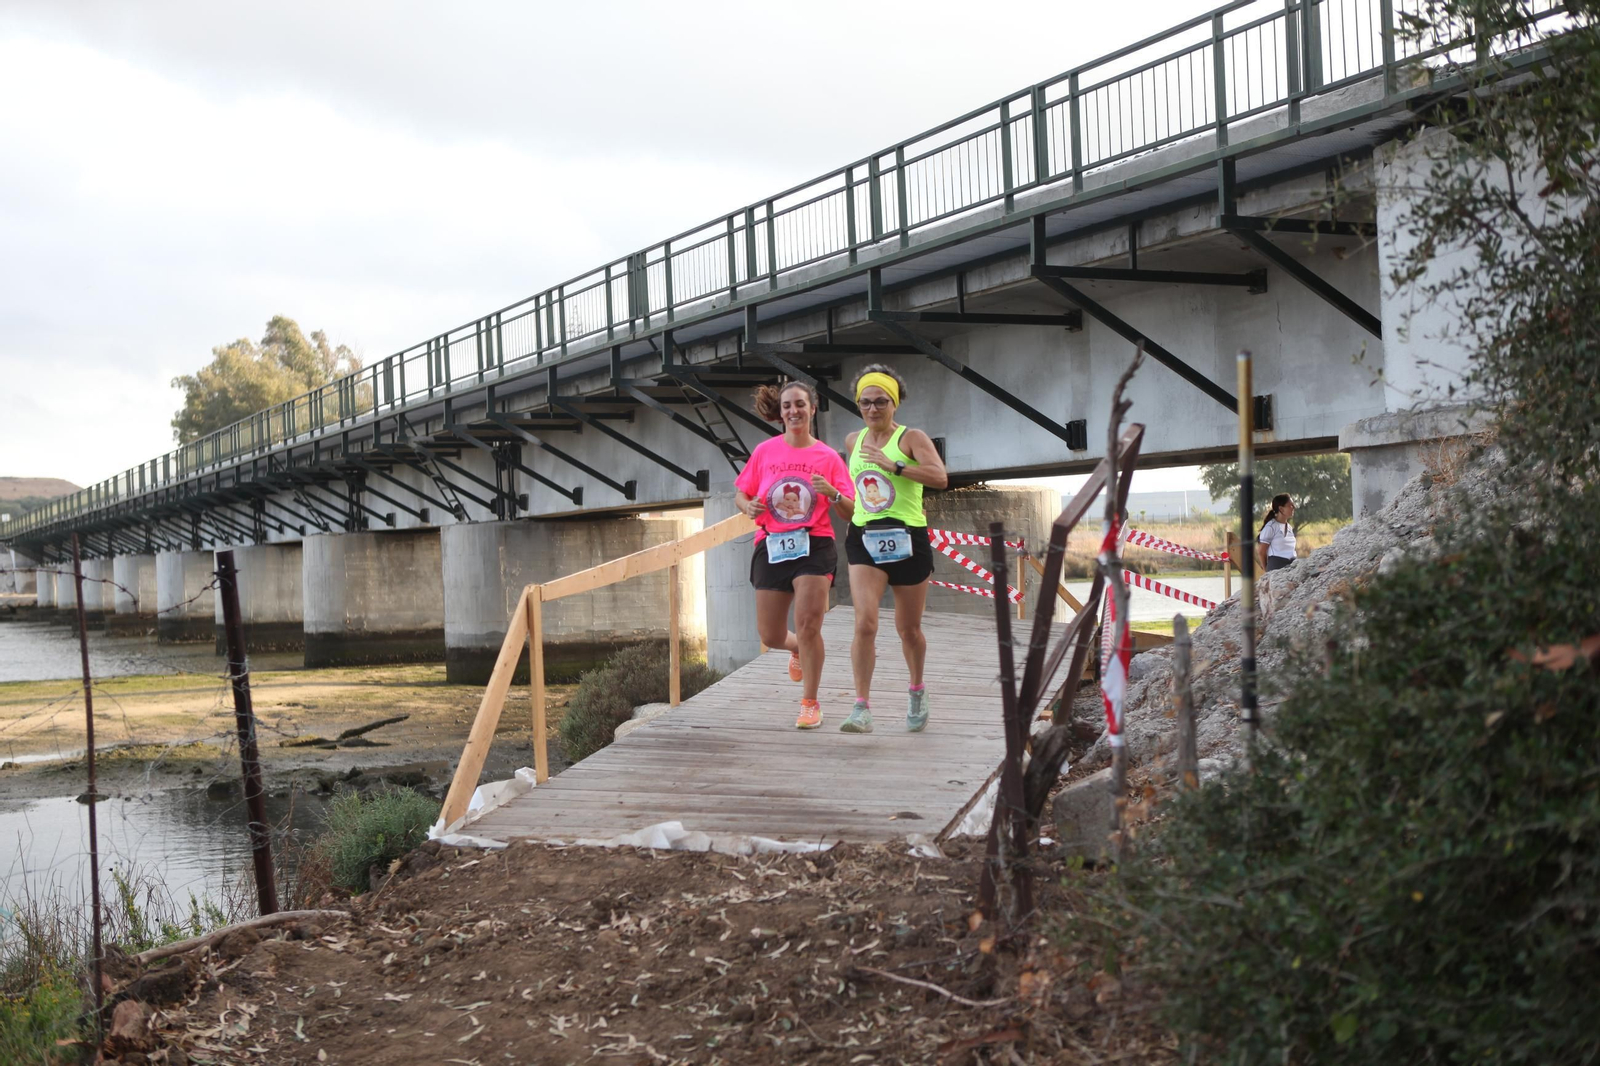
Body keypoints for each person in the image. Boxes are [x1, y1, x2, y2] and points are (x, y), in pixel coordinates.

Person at [734, 380, 856, 729]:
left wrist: (832, 493)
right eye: (787, 405)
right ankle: (796, 649)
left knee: (808, 624)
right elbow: (741, 495)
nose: (793, 411)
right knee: (770, 635)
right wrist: (749, 506)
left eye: (800, 404)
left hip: (814, 544)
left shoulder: (828, 457)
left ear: (812, 409)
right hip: (772, 543)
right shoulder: (765, 452)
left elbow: (849, 511)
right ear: (781, 412)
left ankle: (810, 702)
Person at [834, 364, 948, 735]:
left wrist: (897, 466)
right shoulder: (852, 442)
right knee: (865, 622)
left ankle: (916, 689)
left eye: (880, 401)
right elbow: (858, 495)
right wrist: (836, 498)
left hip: (908, 537)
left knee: (908, 629)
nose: (872, 409)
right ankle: (861, 707)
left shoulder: (911, 437)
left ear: (893, 403)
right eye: (865, 402)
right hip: (865, 536)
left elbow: (940, 477)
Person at [1256, 493, 1297, 573]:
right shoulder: (1271, 527)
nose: (1293, 507)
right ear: (1281, 509)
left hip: (1292, 568)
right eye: (1290, 505)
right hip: (1277, 568)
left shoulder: (1289, 528)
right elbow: (1261, 552)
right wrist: (1267, 572)